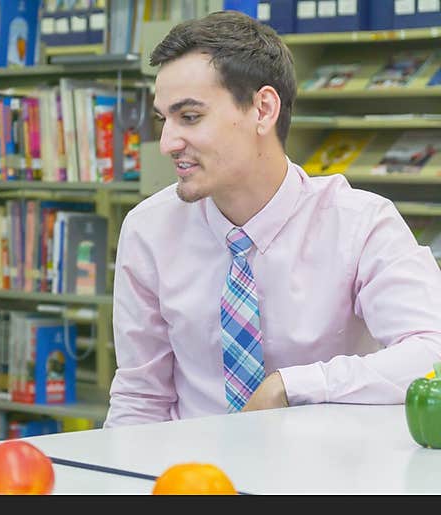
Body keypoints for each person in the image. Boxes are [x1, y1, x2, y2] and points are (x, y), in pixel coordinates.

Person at [105, 11, 441, 426]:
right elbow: (140, 398)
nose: (167, 143)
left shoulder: (361, 224)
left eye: (189, 117)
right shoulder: (148, 230)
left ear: (263, 109)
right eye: (164, 119)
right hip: (192, 480)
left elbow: (433, 352)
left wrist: (293, 386)